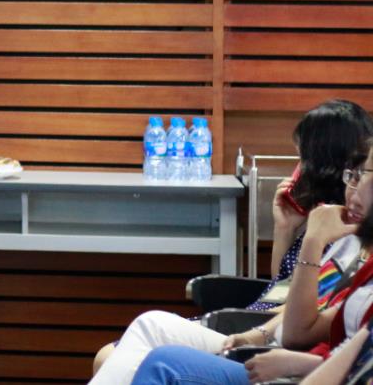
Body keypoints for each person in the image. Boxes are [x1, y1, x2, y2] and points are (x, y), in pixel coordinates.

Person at [90, 99, 373, 382]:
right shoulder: (340, 236)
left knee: (147, 353)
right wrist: (285, 229)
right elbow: (285, 287)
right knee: (138, 335)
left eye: (363, 177)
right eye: (353, 178)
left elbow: (302, 327)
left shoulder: (335, 233)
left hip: (274, 344)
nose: (355, 190)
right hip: (267, 334)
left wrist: (290, 356)